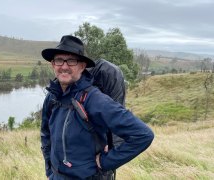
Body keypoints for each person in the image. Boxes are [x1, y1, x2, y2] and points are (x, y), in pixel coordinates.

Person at [40, 35, 154, 180]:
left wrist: (106, 162)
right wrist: (50, 171)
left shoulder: (94, 99)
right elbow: (46, 134)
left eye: (71, 61)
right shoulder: (52, 97)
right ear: (53, 64)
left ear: (82, 66)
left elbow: (143, 135)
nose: (64, 66)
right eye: (59, 60)